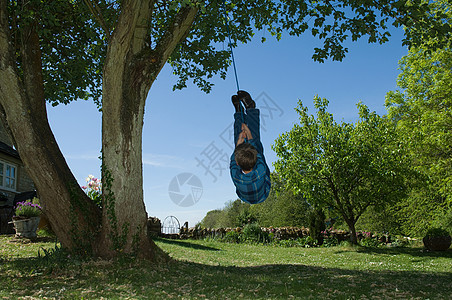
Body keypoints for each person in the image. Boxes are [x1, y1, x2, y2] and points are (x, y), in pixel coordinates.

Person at [230, 90, 271, 204]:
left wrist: (246, 139)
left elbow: (255, 153)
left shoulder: (260, 168)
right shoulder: (237, 175)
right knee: (249, 144)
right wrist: (241, 140)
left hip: (246, 197)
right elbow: (233, 159)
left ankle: (239, 112)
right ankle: (250, 108)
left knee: (245, 148)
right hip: (263, 193)